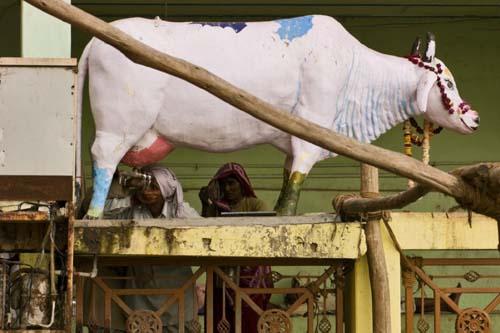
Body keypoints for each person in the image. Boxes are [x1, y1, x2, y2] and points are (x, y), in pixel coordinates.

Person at [82, 165, 199, 332]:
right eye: (143, 187)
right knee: (140, 323)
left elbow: (203, 231)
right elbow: (100, 211)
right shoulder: (133, 209)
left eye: (154, 188)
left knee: (177, 323)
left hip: (175, 283)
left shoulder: (181, 211)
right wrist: (129, 198)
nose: (147, 192)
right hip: (141, 283)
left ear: (166, 190)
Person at [199, 162, 273, 333]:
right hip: (221, 274)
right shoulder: (214, 208)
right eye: (224, 184)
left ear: (242, 183)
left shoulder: (255, 205)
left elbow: (266, 232)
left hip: (250, 275)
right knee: (219, 320)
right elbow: (205, 233)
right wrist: (205, 204)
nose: (228, 188)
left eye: (232, 183)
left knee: (249, 321)